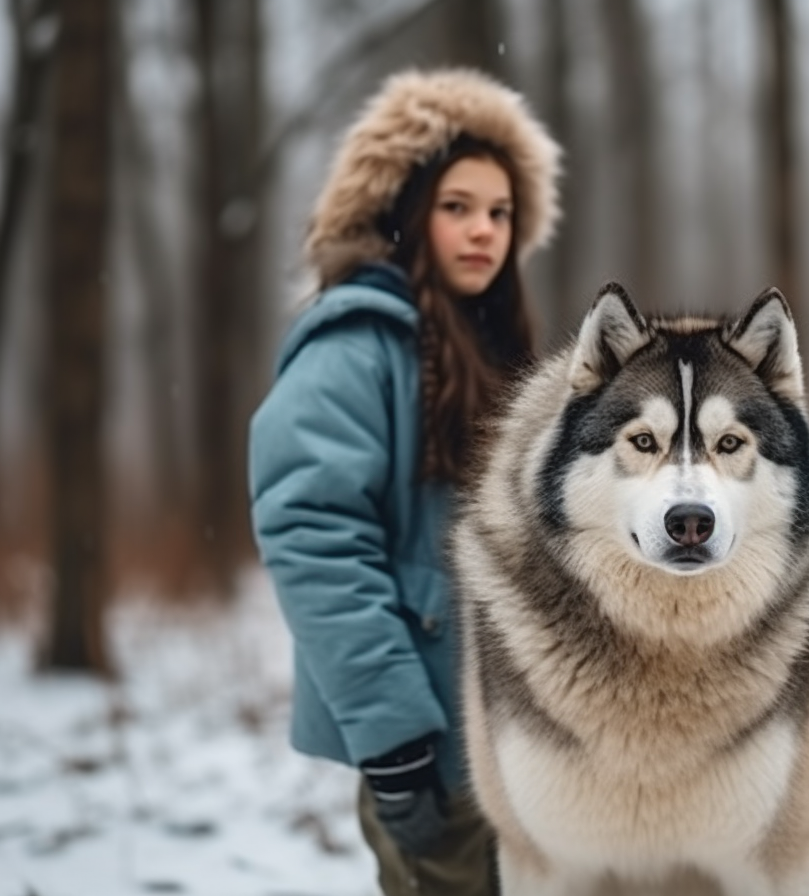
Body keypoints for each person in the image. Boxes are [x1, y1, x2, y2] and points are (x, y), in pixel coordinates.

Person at [248, 68, 561, 896]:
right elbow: (311, 536)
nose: (483, 231)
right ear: (405, 209)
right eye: (457, 206)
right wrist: (394, 742)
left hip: (525, 748)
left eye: (500, 212)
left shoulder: (491, 349)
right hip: (433, 750)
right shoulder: (355, 347)